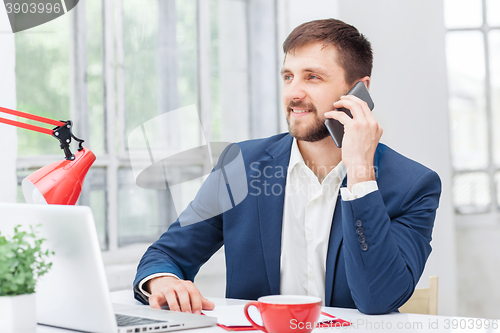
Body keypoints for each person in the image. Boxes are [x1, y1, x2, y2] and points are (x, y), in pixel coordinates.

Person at [133, 18, 441, 315]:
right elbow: (166, 254)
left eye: (312, 77)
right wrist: (163, 280)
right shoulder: (241, 165)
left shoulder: (413, 186)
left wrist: (360, 174)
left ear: (358, 89)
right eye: (288, 76)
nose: (293, 93)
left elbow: (379, 298)